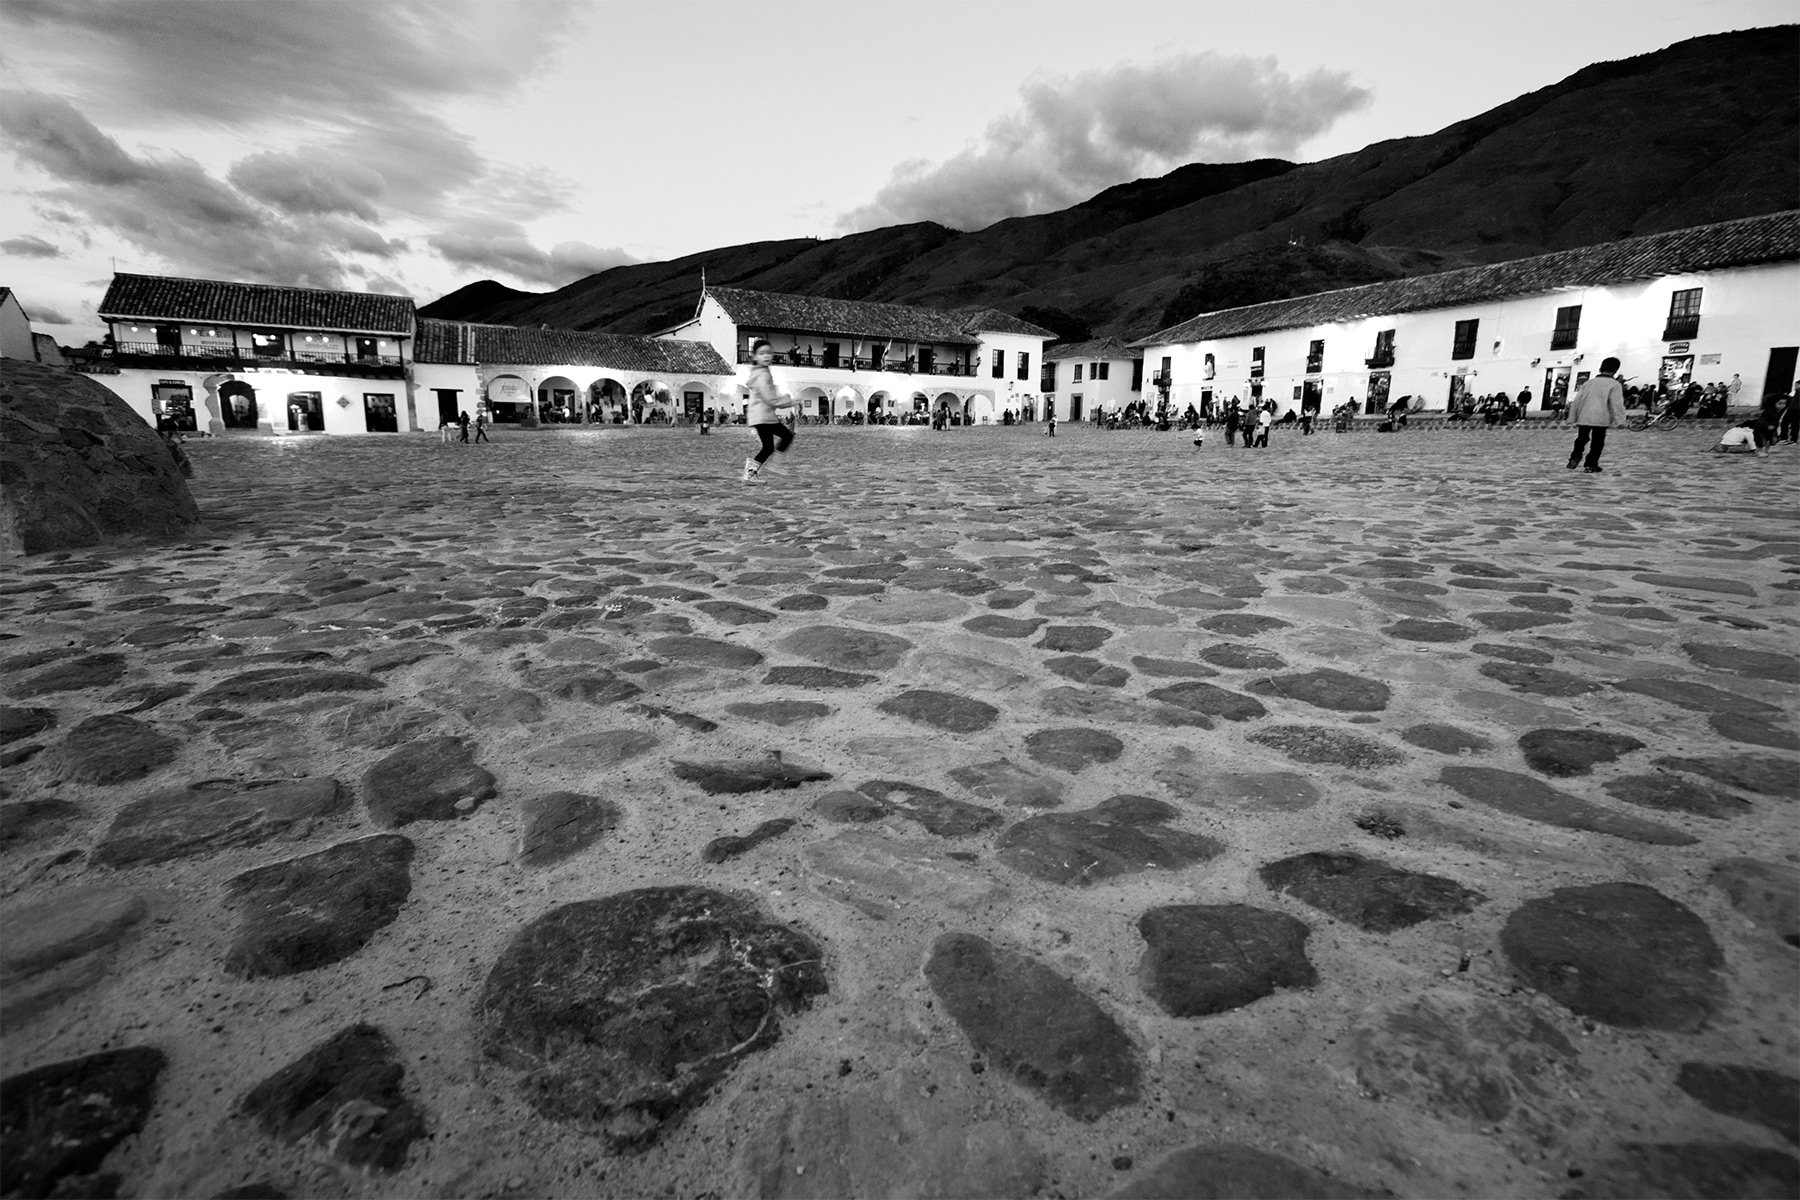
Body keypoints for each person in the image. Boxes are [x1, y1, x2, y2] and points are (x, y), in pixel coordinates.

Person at [741, 340, 796, 481]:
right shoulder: (763, 375)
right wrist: (789, 402)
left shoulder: (760, 373)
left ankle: (751, 473)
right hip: (763, 416)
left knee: (768, 447)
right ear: (754, 357)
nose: (766, 356)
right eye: (761, 353)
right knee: (787, 436)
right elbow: (770, 399)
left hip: (761, 416)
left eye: (768, 353)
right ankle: (774, 466)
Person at [1565, 356, 1626, 472]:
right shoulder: (1614, 385)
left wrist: (1572, 417)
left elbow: (1577, 400)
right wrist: (1620, 420)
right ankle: (1590, 464)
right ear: (1615, 370)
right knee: (1597, 442)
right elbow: (1616, 404)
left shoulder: (1588, 383)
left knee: (1581, 438)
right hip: (1601, 417)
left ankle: (1575, 457)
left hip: (1585, 416)